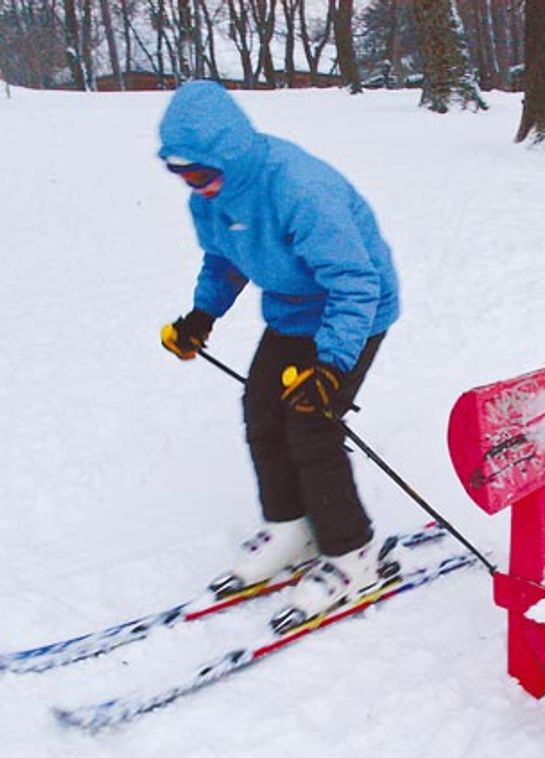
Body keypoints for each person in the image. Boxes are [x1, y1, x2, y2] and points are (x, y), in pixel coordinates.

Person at [156, 81, 400, 625]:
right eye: (182, 175)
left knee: (312, 423)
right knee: (262, 414)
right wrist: (202, 315)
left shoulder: (297, 188)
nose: (197, 187)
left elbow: (355, 282)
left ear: (231, 154)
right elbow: (224, 260)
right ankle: (290, 526)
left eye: (200, 173)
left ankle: (351, 552)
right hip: (293, 312)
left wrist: (332, 367)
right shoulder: (212, 200)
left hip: (353, 309)